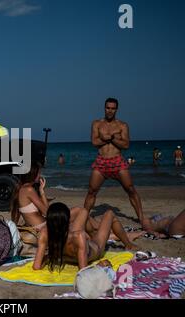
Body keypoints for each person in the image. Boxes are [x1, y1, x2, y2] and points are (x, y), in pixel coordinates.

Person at [84, 98, 154, 233]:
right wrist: (106, 138)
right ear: (104, 108)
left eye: (113, 108)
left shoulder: (123, 125)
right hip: (101, 162)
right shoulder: (96, 123)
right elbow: (94, 142)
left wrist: (110, 137)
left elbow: (126, 145)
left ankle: (141, 218)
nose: (110, 110)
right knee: (91, 191)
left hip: (117, 161)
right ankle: (84, 217)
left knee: (130, 189)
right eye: (108, 108)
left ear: (117, 109)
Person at [33, 202, 139, 271]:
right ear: (67, 220)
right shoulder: (78, 235)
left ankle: (95, 232)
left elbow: (36, 266)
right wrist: (99, 265)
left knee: (83, 211)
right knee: (110, 214)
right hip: (94, 249)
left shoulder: (45, 233)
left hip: (67, 255)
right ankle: (128, 244)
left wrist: (47, 258)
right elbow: (83, 271)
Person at [10, 162, 49, 239]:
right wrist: (42, 192)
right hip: (41, 227)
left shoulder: (20, 189)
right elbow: (47, 212)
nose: (39, 176)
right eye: (38, 173)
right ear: (32, 174)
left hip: (35, 226)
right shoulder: (29, 190)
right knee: (77, 212)